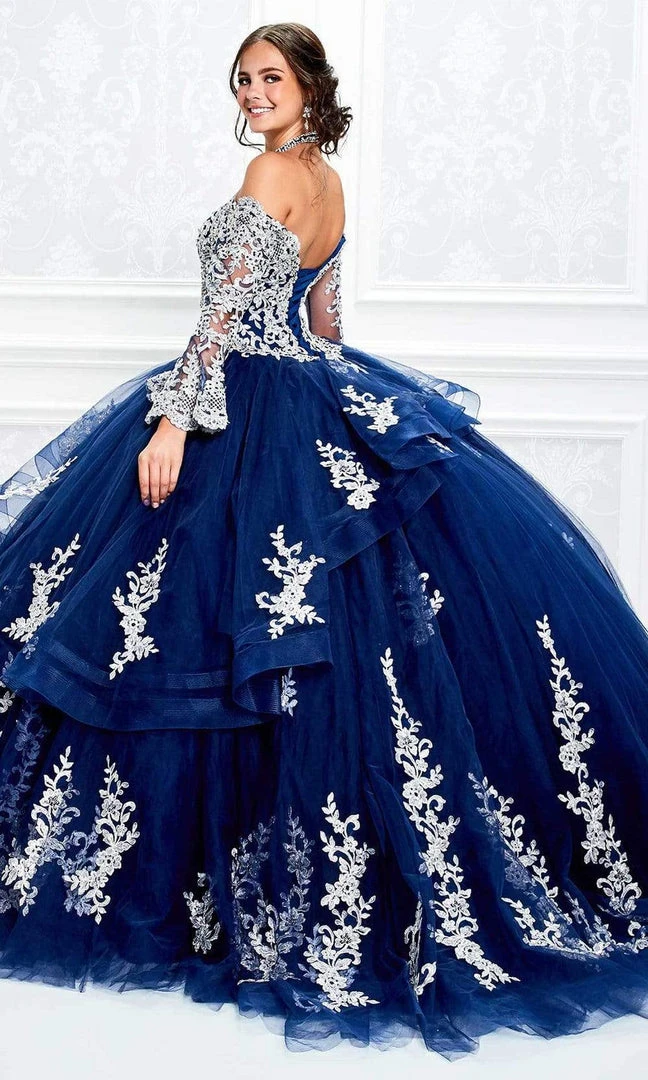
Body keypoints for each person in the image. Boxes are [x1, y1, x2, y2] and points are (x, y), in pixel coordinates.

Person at [0, 21, 647, 1062]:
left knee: (190, 625)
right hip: (302, 391)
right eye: (242, 79)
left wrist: (174, 423)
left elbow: (223, 318)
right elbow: (327, 325)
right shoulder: (329, 182)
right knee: (284, 630)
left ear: (309, 85)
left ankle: (202, 892)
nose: (253, 92)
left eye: (271, 76)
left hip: (243, 401)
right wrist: (335, 412)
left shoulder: (271, 173)